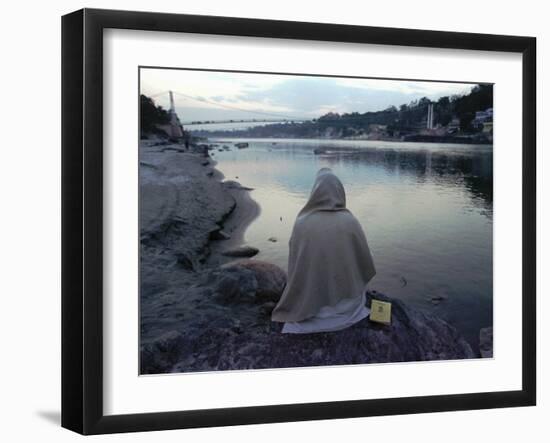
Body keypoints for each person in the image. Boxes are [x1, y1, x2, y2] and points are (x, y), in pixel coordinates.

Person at [271, 168, 376, 333]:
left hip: (313, 310)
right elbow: (365, 260)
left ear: (315, 192)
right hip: (348, 305)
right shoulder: (350, 221)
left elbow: (296, 265)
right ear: (340, 191)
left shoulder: (303, 223)